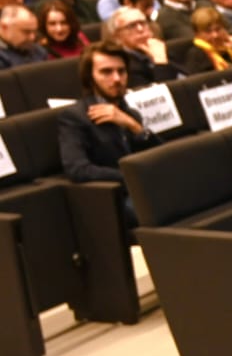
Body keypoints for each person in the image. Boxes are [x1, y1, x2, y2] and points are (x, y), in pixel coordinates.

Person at [57, 43, 162, 224]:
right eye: (106, 72)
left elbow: (160, 154)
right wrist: (130, 177)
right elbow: (77, 169)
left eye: (121, 71)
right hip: (113, 198)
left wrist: (133, 126)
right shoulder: (74, 117)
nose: (116, 79)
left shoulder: (130, 114)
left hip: (146, 189)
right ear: (90, 77)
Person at [105, 4, 172, 88]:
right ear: (117, 36)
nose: (140, 29)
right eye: (131, 26)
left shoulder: (158, 48)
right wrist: (160, 61)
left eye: (143, 23)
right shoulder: (125, 66)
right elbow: (161, 96)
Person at [181, 5, 232, 75]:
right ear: (197, 33)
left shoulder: (230, 46)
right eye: (208, 31)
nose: (215, 35)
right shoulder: (195, 55)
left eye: (218, 29)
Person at [0, 3, 48, 67]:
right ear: (4, 27)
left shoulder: (39, 51)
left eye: (34, 32)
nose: (32, 37)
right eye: (26, 32)